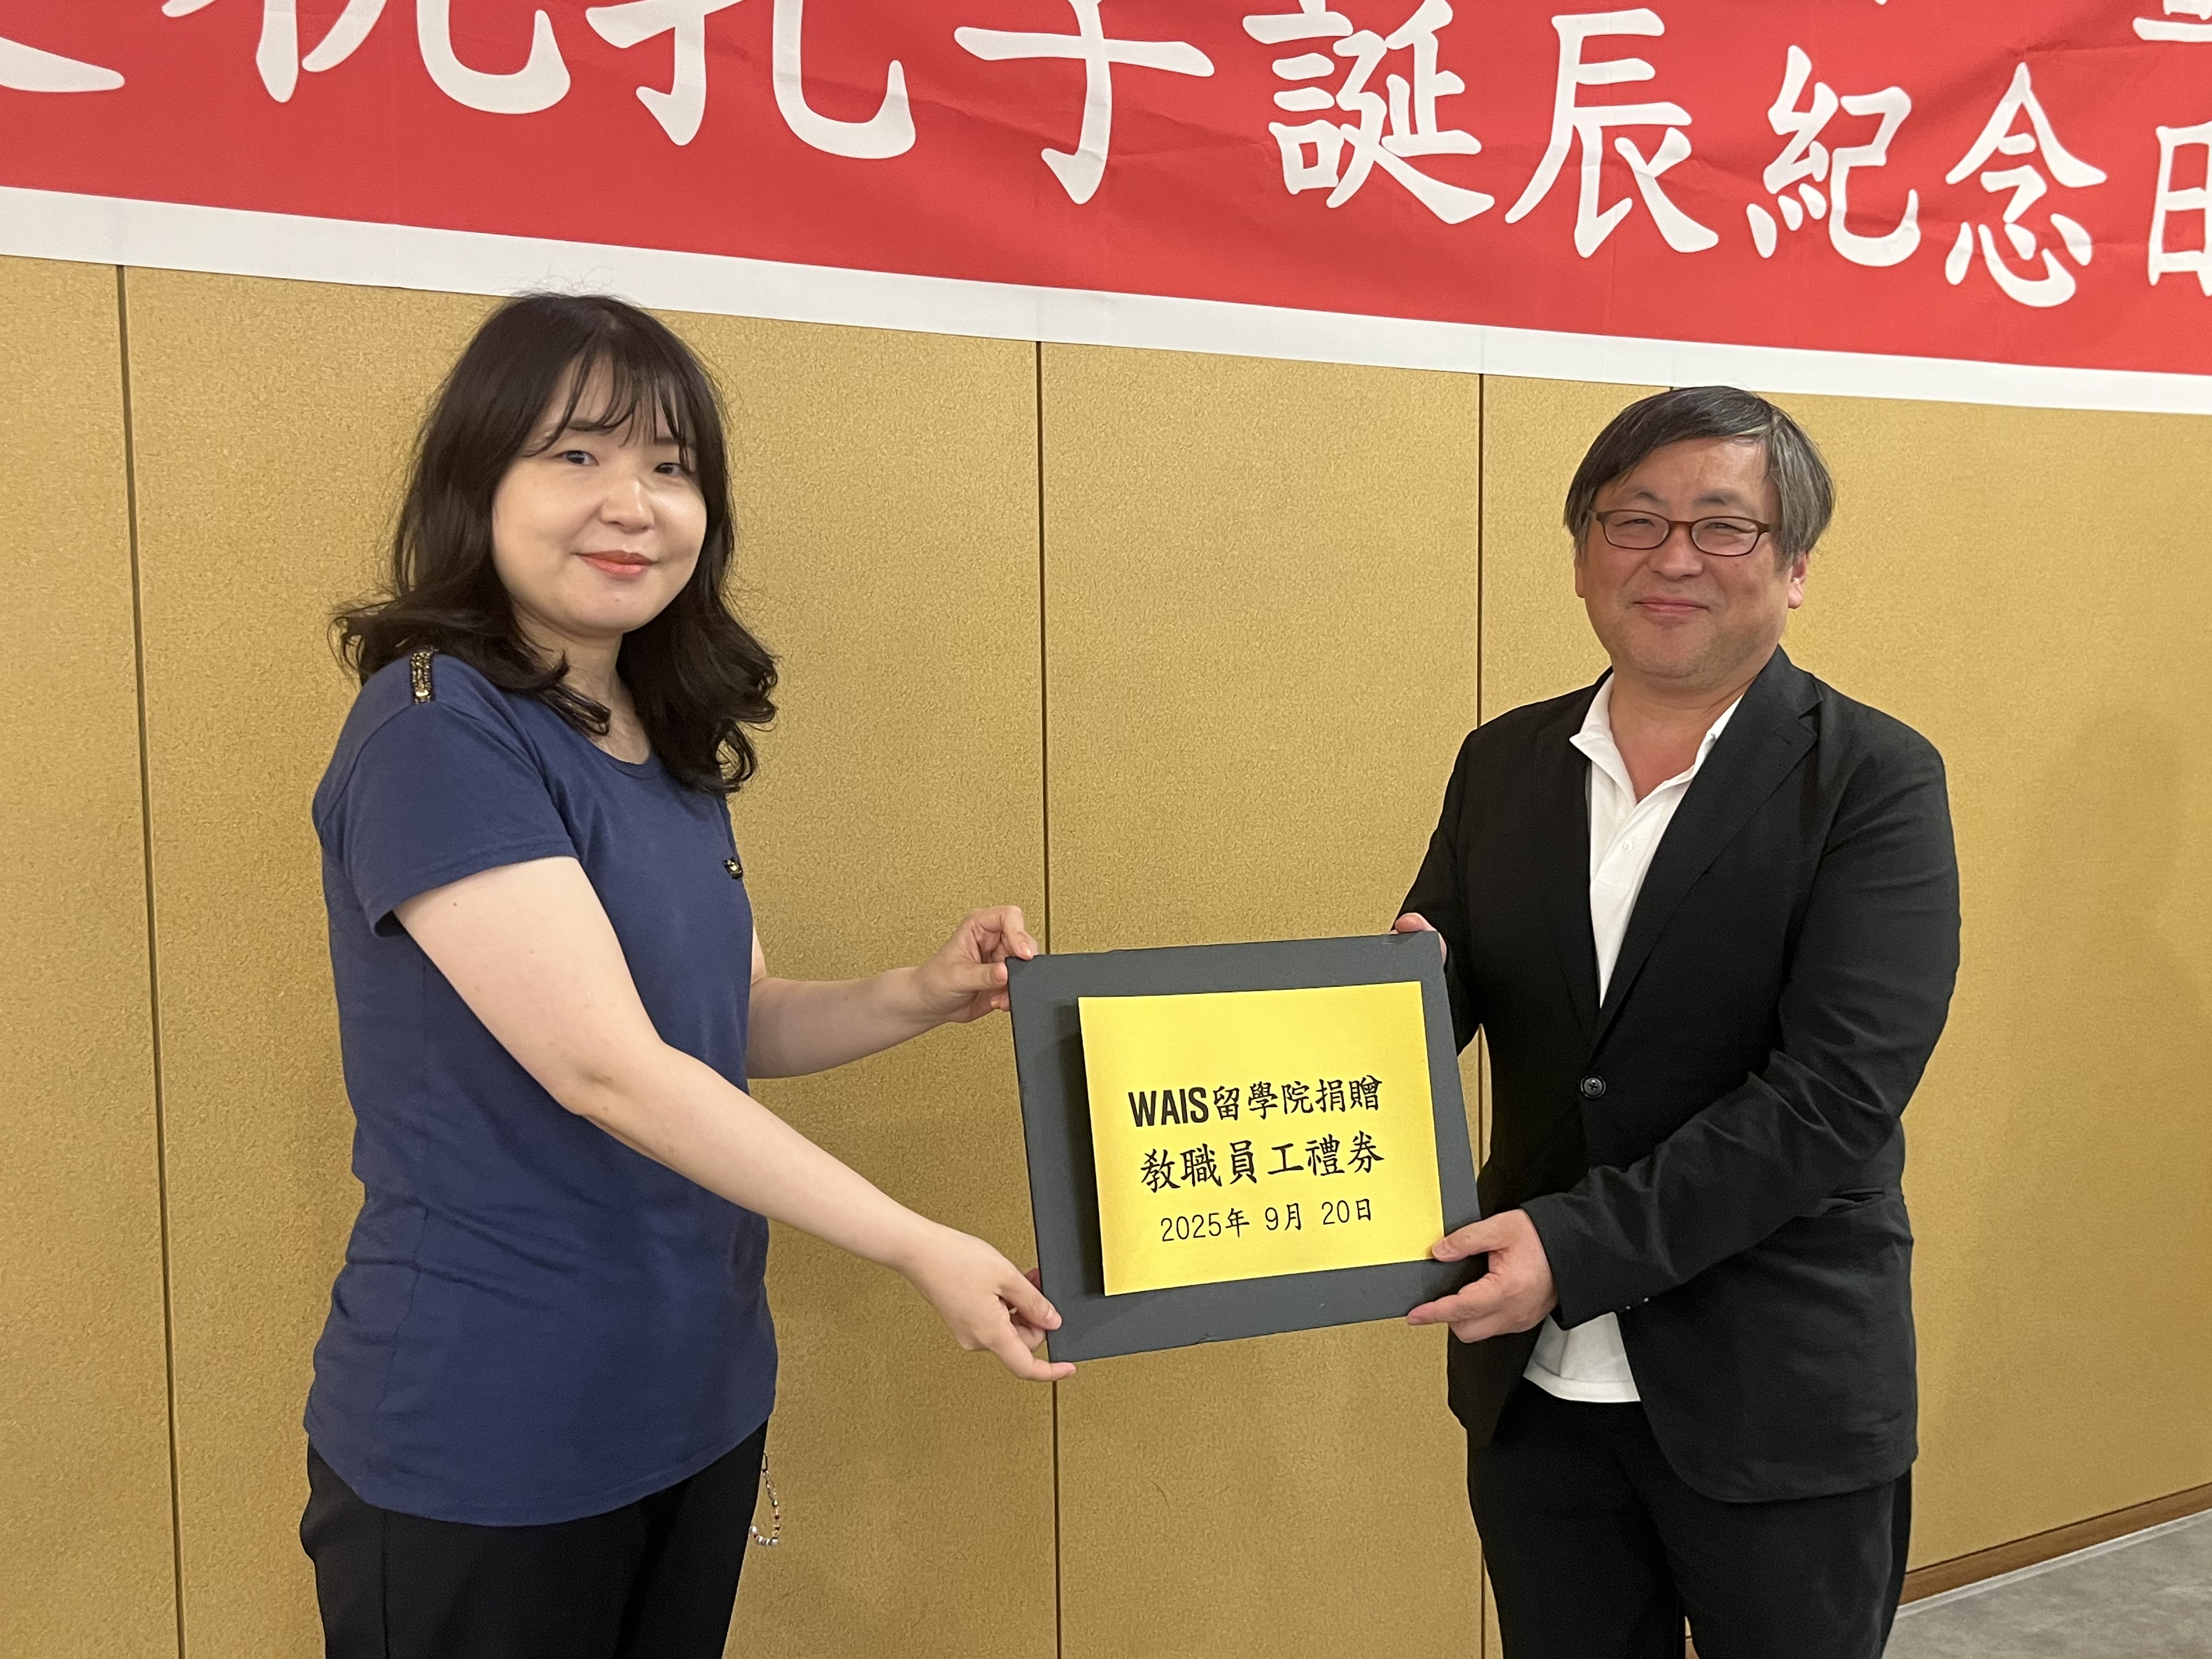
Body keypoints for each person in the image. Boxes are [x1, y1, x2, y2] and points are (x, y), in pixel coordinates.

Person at [297, 292, 1070, 1659]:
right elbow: (608, 1067)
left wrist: (922, 991)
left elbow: (733, 1021)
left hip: (688, 1398)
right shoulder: (436, 727)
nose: (634, 504)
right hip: (490, 1429)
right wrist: (915, 1241)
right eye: (576, 455)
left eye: (671, 466)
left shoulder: (657, 732)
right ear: (476, 480)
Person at [1393, 387, 1960, 1658]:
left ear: (1795, 567)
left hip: (1776, 1395)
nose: (1673, 558)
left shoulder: (1873, 779)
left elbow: (1836, 1096)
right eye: (1635, 520)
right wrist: (1381, 1007)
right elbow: (1444, 988)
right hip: (1536, 1388)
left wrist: (1574, 1244)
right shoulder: (1504, 762)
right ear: (1584, 554)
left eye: (1723, 525)